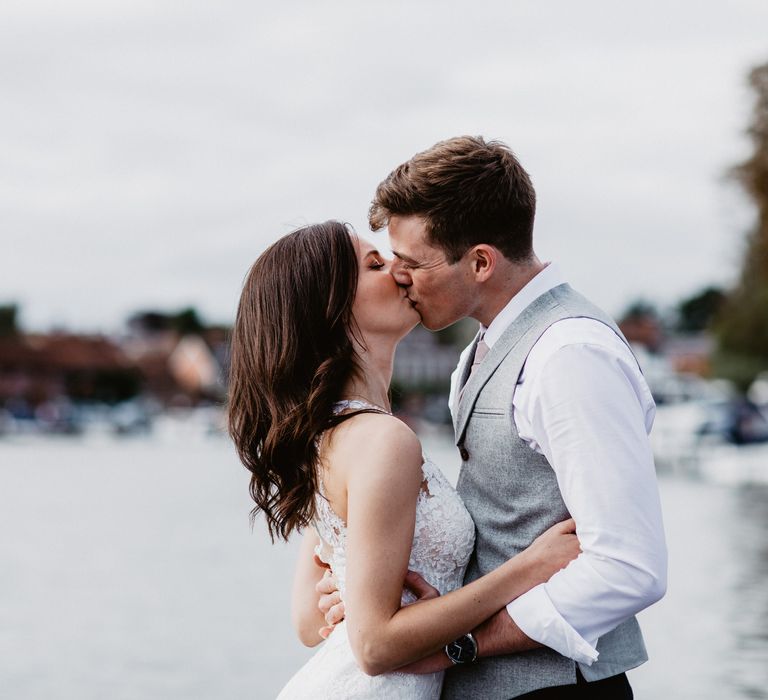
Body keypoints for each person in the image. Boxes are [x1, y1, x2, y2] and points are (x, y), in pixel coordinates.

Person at [318, 136, 668, 698]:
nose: (400, 277)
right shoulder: (478, 353)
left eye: (412, 262)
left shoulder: (568, 356)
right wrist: (382, 595)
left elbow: (629, 567)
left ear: (480, 261)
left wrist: (467, 643)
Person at [227, 221, 581, 698]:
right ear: (331, 313)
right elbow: (373, 648)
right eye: (375, 264)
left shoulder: (330, 434)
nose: (398, 267)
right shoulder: (382, 441)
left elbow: (309, 621)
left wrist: (348, 594)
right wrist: (528, 568)